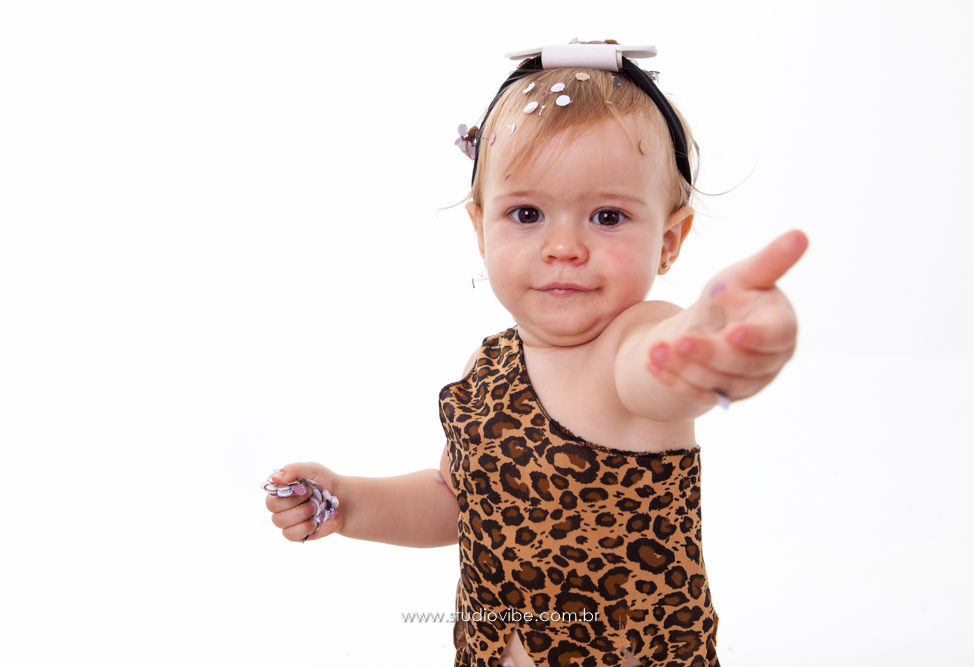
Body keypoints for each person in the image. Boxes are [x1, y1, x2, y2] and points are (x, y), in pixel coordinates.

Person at [264, 41, 807, 667]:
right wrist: (351, 503)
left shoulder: (635, 341)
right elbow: (457, 503)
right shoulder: (486, 367)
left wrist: (707, 344)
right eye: (527, 213)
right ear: (480, 228)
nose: (563, 246)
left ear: (668, 240)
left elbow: (660, 371)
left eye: (607, 216)